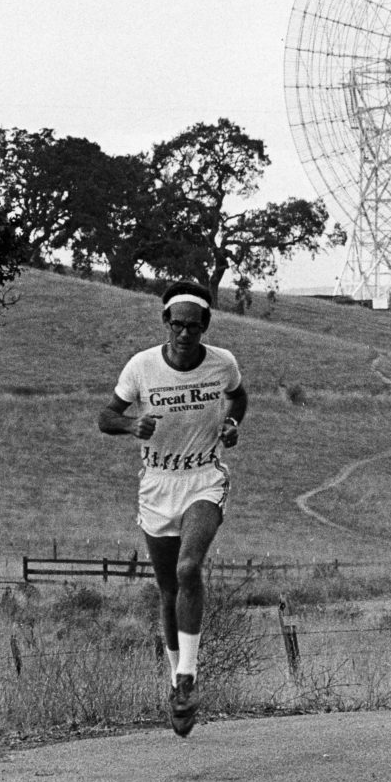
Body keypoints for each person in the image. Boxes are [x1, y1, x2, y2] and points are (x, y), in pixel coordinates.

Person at [98, 279, 248, 736]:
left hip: (203, 478)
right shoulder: (141, 367)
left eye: (193, 326)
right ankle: (175, 684)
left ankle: (189, 674)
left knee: (188, 569)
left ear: (205, 326)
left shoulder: (222, 363)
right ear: (165, 322)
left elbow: (237, 396)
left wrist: (232, 424)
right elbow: (105, 417)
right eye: (176, 324)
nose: (184, 334)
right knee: (167, 590)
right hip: (157, 484)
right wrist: (130, 425)